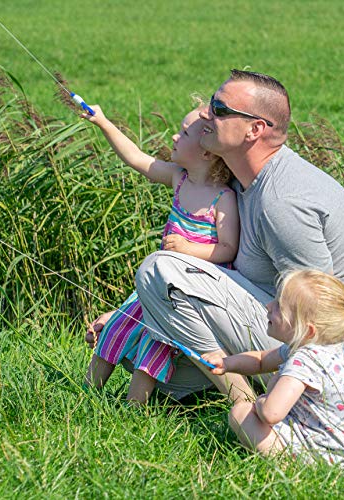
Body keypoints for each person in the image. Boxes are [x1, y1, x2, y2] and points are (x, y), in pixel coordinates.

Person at [86, 69, 344, 403]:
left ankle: (242, 401)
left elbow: (322, 306)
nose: (207, 115)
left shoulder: (281, 202)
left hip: (329, 353)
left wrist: (340, 390)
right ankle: (235, 384)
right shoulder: (240, 183)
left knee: (159, 269)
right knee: (136, 352)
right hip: (272, 321)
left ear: (254, 130)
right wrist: (136, 311)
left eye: (221, 110)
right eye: (213, 103)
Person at [82, 103, 239, 404]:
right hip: (155, 286)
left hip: (181, 295)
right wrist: (102, 121)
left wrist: (188, 249)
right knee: (114, 329)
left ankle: (133, 409)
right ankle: (86, 395)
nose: (174, 138)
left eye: (182, 133)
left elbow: (228, 249)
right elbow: (137, 158)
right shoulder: (179, 179)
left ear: (207, 151)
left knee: (153, 346)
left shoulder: (223, 198)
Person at [202, 270, 344, 467]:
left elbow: (271, 413)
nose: (268, 306)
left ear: (307, 330)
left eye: (279, 307)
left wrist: (260, 401)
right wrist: (227, 363)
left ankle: (286, 466)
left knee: (241, 413)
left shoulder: (306, 360)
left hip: (328, 459)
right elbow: (260, 361)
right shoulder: (326, 346)